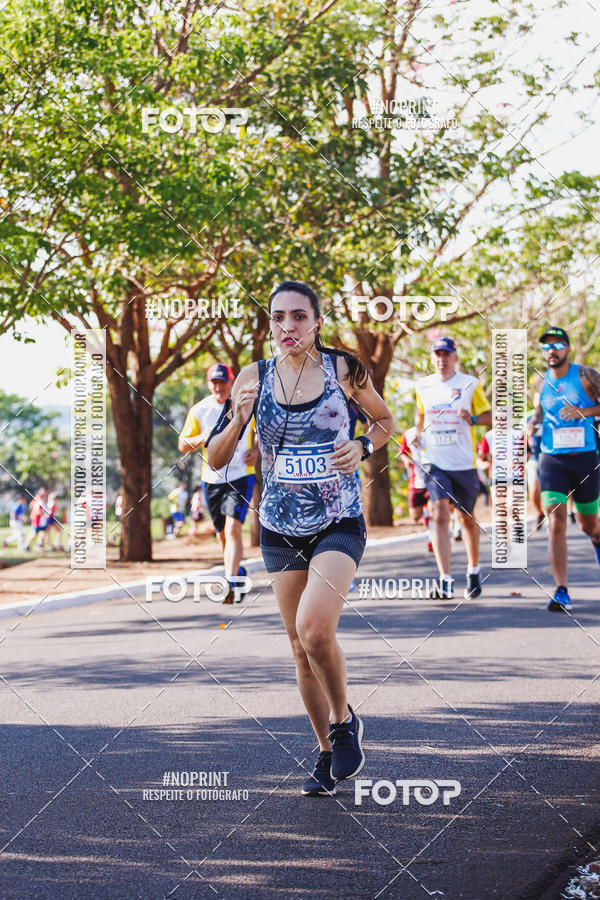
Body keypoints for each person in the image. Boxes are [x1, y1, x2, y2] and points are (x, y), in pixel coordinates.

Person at [206, 280, 394, 797]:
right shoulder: (253, 376)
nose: (288, 326)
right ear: (270, 323)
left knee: (314, 630)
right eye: (278, 318)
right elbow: (215, 458)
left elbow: (384, 421)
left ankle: (343, 720)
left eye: (298, 316)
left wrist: (362, 445)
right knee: (297, 648)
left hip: (338, 518)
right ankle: (327, 750)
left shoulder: (343, 370)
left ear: (316, 321)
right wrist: (238, 419)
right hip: (279, 527)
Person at [528, 327, 600, 612]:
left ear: (567, 349)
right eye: (546, 346)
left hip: (584, 458)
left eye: (557, 345)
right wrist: (532, 423)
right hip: (552, 459)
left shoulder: (585, 376)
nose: (551, 350)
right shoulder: (542, 381)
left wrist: (586, 412)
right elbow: (542, 411)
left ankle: (596, 538)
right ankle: (561, 590)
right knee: (555, 520)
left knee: (588, 525)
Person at [414, 336, 492, 600]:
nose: (441, 359)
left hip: (463, 463)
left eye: (446, 354)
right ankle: (445, 579)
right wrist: (416, 432)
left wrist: (471, 418)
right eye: (437, 354)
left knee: (466, 518)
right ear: (432, 357)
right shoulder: (423, 385)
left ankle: (473, 569)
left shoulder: (469, 384)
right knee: (439, 514)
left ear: (455, 357)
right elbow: (420, 415)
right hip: (434, 461)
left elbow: (489, 416)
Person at [179, 363, 258, 602]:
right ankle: (238, 572)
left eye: (223, 382)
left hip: (240, 475)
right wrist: (203, 437)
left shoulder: (245, 404)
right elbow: (183, 444)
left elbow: (263, 432)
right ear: (208, 384)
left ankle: (230, 581)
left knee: (234, 528)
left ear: (232, 382)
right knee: (223, 534)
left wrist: (256, 450)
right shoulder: (200, 410)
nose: (218, 387)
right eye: (214, 382)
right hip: (211, 479)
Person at [400, 426, 433, 550]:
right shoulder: (409, 433)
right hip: (416, 479)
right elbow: (403, 452)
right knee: (415, 515)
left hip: (433, 478)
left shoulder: (432, 429)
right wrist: (406, 460)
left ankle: (432, 539)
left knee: (433, 509)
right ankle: (428, 517)